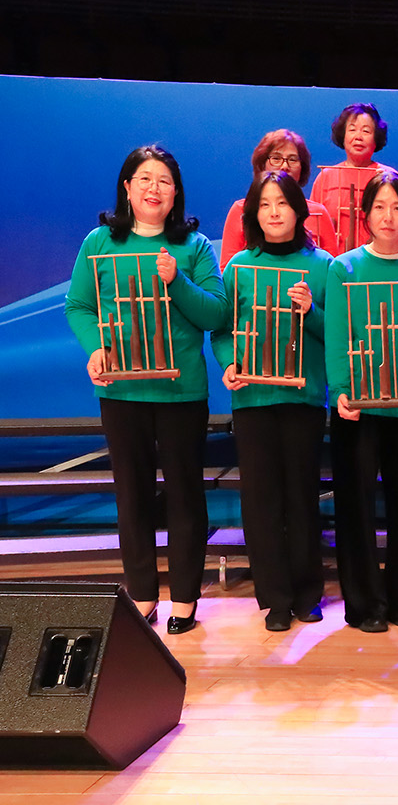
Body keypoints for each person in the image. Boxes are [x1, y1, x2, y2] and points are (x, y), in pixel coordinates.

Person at [64, 145, 229, 634]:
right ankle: (142, 595)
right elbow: (78, 305)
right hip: (122, 392)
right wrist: (96, 348)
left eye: (164, 181)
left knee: (185, 496)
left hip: (181, 393)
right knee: (131, 496)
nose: (154, 188)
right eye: (144, 179)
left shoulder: (194, 246)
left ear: (176, 193)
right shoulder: (99, 242)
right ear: (127, 187)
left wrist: (176, 281)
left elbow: (216, 313)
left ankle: (185, 599)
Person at [212, 171, 333, 631]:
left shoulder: (323, 266)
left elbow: (339, 331)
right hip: (253, 400)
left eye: (282, 202)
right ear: (253, 214)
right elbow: (222, 330)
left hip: (304, 397)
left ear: (299, 210)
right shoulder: (239, 267)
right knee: (261, 501)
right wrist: (229, 362)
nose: (274, 212)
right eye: (264, 205)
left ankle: (307, 593)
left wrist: (311, 311)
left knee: (301, 496)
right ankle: (275, 599)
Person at [324, 169, 398, 632]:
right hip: (359, 405)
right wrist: (341, 391)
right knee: (356, 507)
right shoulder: (344, 268)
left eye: (397, 208)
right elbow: (337, 335)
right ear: (366, 215)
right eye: (379, 207)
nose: (388, 216)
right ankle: (364, 605)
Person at [221, 129, 339, 258]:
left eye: (292, 159)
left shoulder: (319, 213)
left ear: (302, 168)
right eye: (276, 158)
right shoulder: (240, 210)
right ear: (262, 165)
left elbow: (331, 266)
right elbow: (228, 266)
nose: (284, 166)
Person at [310, 103, 390, 254]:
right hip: (333, 260)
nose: (358, 137)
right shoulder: (326, 177)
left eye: (366, 131)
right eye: (352, 130)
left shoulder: (388, 177)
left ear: (376, 137)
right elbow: (314, 225)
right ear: (343, 135)